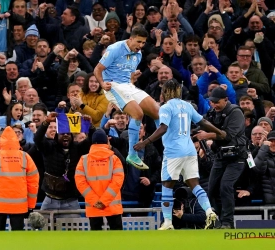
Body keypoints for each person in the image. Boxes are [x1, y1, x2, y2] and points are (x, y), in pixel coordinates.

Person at [134, 79, 226, 230]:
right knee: (194, 184)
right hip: (189, 150)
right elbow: (202, 122)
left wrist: (145, 142)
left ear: (165, 92)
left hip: (174, 152)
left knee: (167, 186)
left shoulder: (166, 107)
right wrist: (218, 131)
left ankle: (168, 222)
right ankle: (210, 211)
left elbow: (163, 127)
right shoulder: (187, 106)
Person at [94, 26, 160, 170]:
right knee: (138, 114)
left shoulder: (139, 54)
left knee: (157, 111)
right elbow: (97, 69)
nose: (141, 46)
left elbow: (127, 76)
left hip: (127, 86)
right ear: (130, 39)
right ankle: (132, 154)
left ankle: (167, 145)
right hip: (112, 85)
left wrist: (132, 78)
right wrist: (101, 83)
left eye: (143, 43)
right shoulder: (115, 49)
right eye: (138, 42)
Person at [194, 87, 248, 229]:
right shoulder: (212, 112)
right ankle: (216, 219)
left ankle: (228, 222)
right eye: (212, 102)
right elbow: (202, 124)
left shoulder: (236, 112)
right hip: (220, 156)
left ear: (226, 100)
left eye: (217, 102)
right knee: (211, 188)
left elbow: (229, 135)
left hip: (237, 156)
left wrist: (207, 136)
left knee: (226, 186)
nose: (214, 105)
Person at [0, 126, 39, 230]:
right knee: (18, 240)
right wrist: (31, 205)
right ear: (16, 140)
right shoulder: (25, 157)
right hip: (19, 206)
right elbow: (33, 184)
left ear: (1, 140)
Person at [75, 129, 124, 230]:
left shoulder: (83, 160)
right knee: (118, 240)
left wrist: (95, 201)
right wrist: (104, 201)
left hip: (93, 206)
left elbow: (80, 183)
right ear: (106, 141)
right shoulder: (114, 159)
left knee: (95, 240)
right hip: (112, 206)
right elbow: (117, 182)